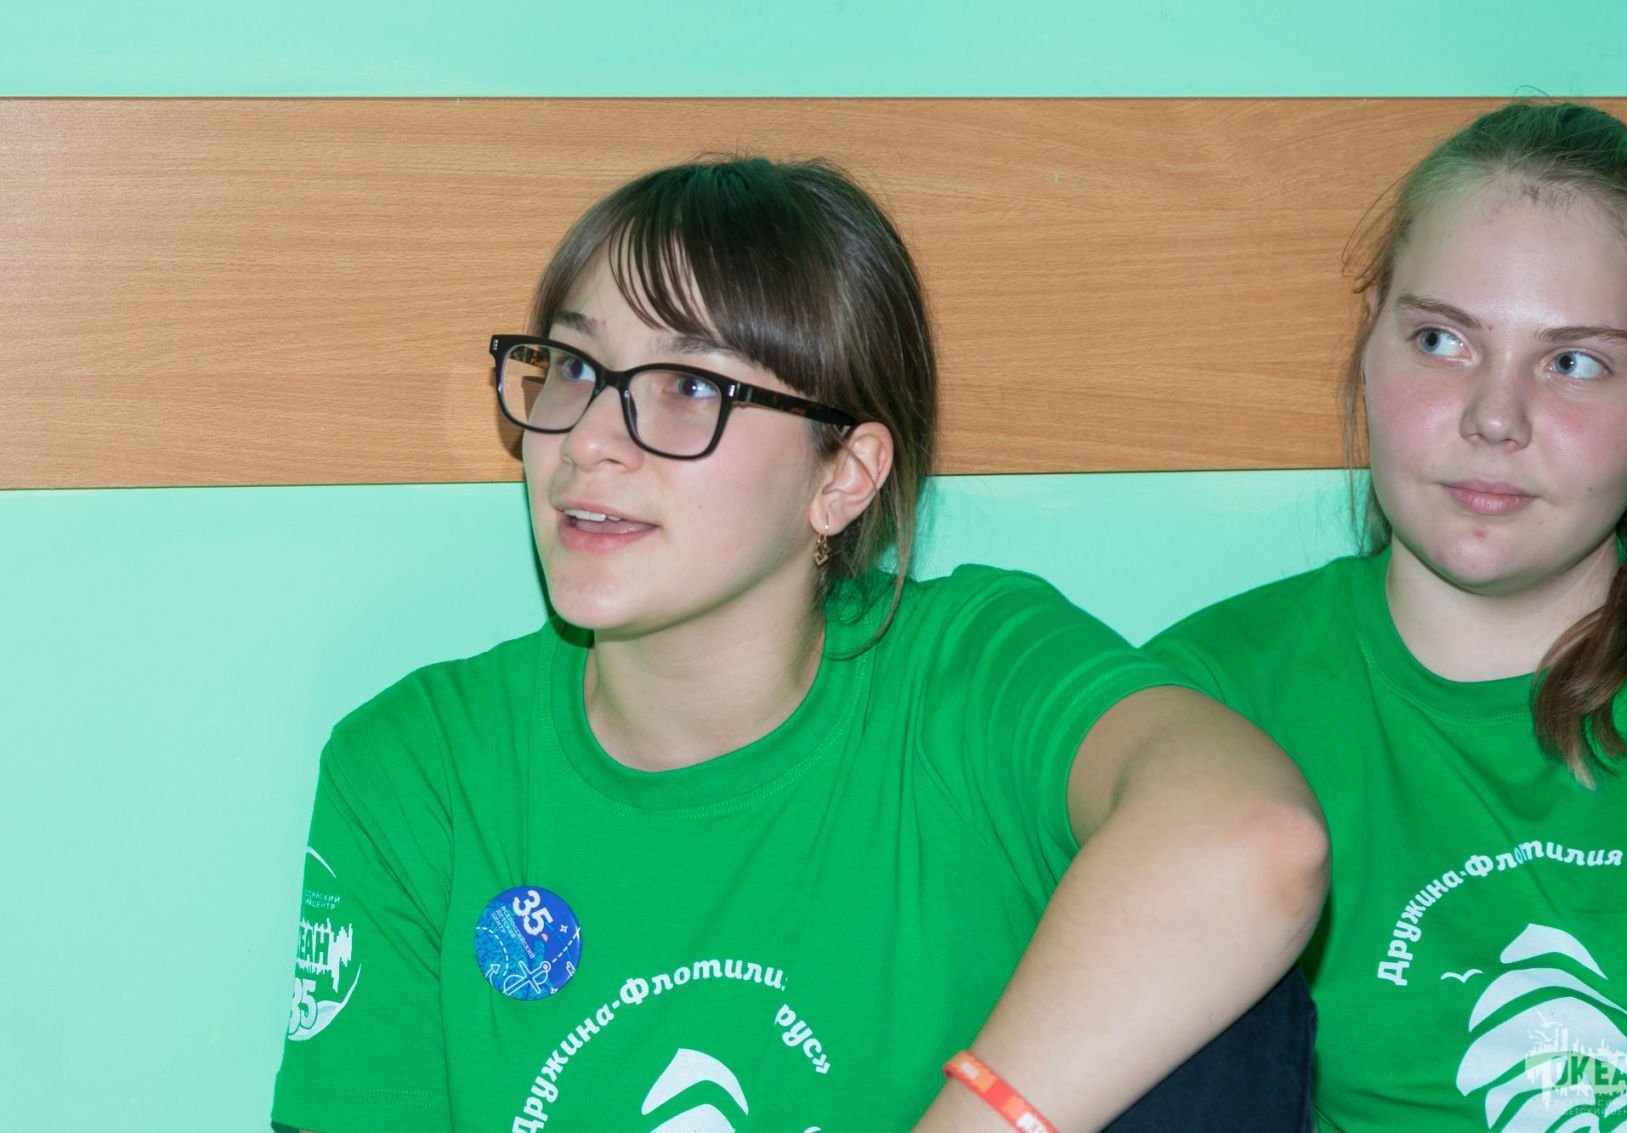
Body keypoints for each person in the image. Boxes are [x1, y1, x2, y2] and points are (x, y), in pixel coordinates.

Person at [271, 156, 1326, 1132]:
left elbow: (1256, 837)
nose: (587, 439)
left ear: (843, 476)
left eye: (690, 386)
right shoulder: (422, 766)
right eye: (574, 367)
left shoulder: (966, 670)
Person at [1147, 101, 1627, 1130]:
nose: (1495, 417)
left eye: (1573, 361)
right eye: (1442, 340)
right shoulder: (1205, 702)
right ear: (1370, 341)